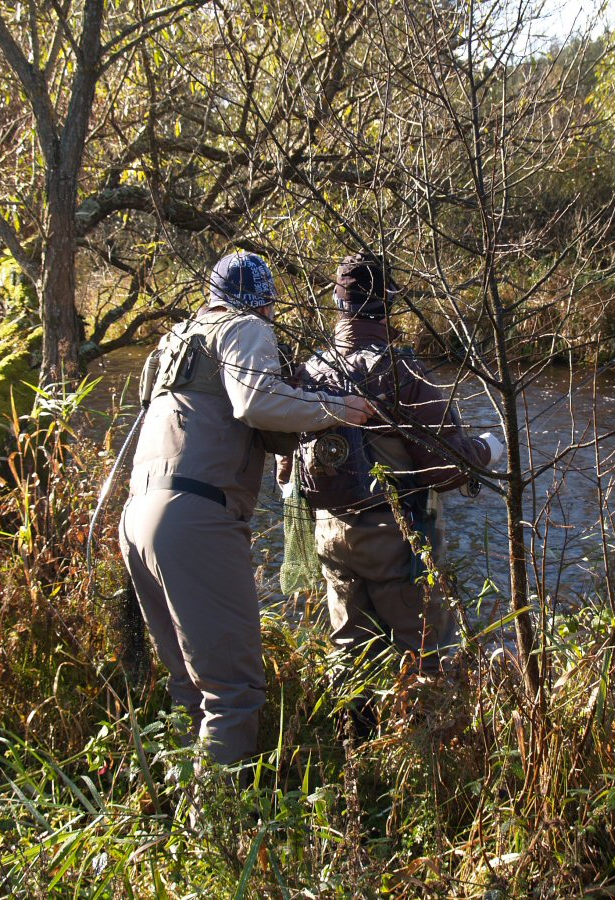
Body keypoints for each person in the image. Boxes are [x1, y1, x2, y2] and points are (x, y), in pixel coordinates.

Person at [119, 251, 372, 767]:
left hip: (138, 517)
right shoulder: (245, 329)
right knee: (233, 694)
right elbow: (254, 403)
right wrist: (341, 409)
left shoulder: (180, 337)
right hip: (195, 520)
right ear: (265, 304)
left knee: (191, 687)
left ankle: (181, 813)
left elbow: (244, 419)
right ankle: (216, 836)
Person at [290, 252, 504, 679]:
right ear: (388, 305)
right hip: (395, 537)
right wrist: (487, 449)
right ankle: (430, 740)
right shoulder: (400, 368)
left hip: (329, 532)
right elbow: (447, 468)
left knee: (350, 661)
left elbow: (286, 469)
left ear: (338, 302)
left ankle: (358, 742)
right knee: (429, 656)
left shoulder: (310, 370)